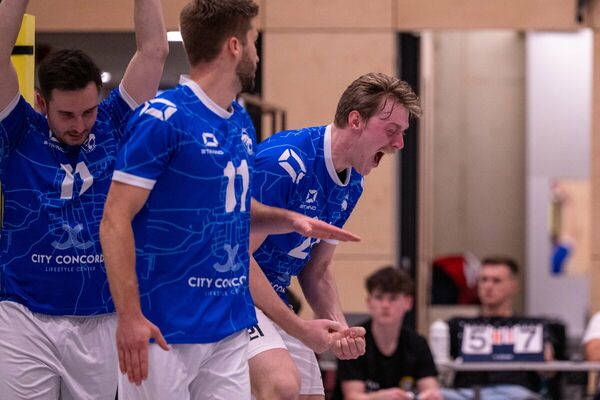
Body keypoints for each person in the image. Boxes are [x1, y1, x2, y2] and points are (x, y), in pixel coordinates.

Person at [99, 1, 359, 399]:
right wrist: (129, 316)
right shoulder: (162, 117)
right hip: (165, 325)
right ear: (234, 46)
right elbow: (114, 219)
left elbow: (228, 206)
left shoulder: (239, 121)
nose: (257, 53)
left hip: (227, 325)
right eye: (254, 41)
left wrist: (289, 219)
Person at [0, 0, 168, 398]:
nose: (79, 125)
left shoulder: (116, 122)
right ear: (41, 103)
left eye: (87, 112)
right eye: (67, 115)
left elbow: (154, 50)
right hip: (24, 316)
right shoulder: (18, 129)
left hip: (101, 316)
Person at [248, 72, 422, 400]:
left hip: (272, 297)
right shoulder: (284, 163)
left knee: (310, 395)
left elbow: (317, 269)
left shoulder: (352, 181)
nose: (399, 144)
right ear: (356, 120)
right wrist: (299, 327)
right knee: (282, 385)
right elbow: (238, 261)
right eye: (391, 130)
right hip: (229, 294)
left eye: (403, 133)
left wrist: (340, 327)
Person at [444, 257, 558, 400]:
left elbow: (550, 371)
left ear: (513, 286)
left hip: (516, 393)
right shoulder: (458, 325)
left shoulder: (532, 327)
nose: (488, 286)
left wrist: (546, 363)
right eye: (484, 280)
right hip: (466, 393)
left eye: (496, 281)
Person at [335, 266, 442, 400]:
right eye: (379, 297)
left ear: (408, 303)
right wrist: (380, 397)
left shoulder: (418, 343)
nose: (385, 305)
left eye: (393, 298)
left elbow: (431, 389)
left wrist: (430, 396)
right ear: (369, 302)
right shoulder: (354, 341)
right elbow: (352, 396)